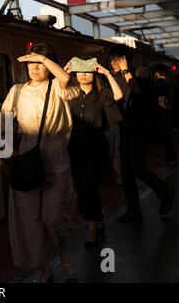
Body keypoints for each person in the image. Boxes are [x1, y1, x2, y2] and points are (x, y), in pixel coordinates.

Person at [1, 43, 79, 283]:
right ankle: (44, 268)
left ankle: (63, 248)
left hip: (54, 152)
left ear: (49, 64)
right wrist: (6, 149)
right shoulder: (16, 91)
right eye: (31, 63)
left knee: (52, 216)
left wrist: (44, 59)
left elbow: (65, 77)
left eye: (40, 62)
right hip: (27, 152)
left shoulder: (58, 86)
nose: (34, 67)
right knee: (30, 219)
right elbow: (2, 119)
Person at [108, 45, 175, 224]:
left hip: (138, 128)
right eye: (111, 59)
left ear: (125, 60)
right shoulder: (113, 78)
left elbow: (138, 92)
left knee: (138, 167)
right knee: (126, 170)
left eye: (116, 59)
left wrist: (126, 71)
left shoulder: (140, 74)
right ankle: (133, 208)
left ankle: (164, 191)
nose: (112, 63)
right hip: (124, 127)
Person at [65, 59, 123, 249]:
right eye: (79, 72)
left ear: (94, 74)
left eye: (87, 71)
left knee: (90, 187)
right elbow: (56, 87)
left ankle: (91, 230)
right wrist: (64, 70)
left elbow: (119, 96)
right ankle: (97, 221)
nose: (83, 75)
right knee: (82, 189)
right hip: (74, 149)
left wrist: (107, 73)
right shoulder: (70, 94)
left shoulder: (103, 94)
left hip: (96, 149)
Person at [152, 64, 178, 163]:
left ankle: (169, 157)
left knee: (165, 135)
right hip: (168, 111)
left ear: (157, 73)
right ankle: (172, 155)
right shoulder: (169, 83)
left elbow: (155, 97)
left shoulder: (158, 83)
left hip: (161, 111)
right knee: (168, 135)